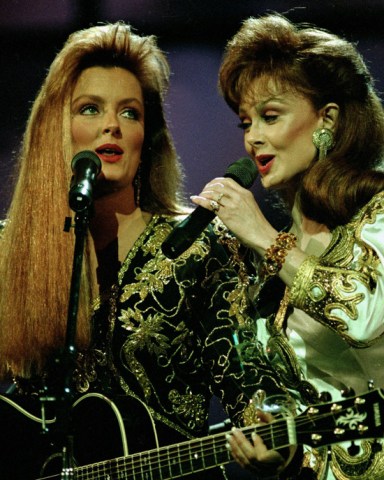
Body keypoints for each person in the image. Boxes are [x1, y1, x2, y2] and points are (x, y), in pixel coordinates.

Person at [0, 21, 288, 480]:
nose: (112, 125)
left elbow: (249, 382)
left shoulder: (198, 246)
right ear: (56, 128)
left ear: (147, 138)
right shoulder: (10, 251)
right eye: (90, 109)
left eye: (130, 113)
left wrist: (274, 439)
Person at [191, 13, 384, 480]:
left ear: (328, 119)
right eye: (245, 121)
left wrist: (264, 239)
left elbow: (365, 317)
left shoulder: (377, 212)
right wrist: (282, 452)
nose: (252, 136)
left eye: (270, 116)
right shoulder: (280, 248)